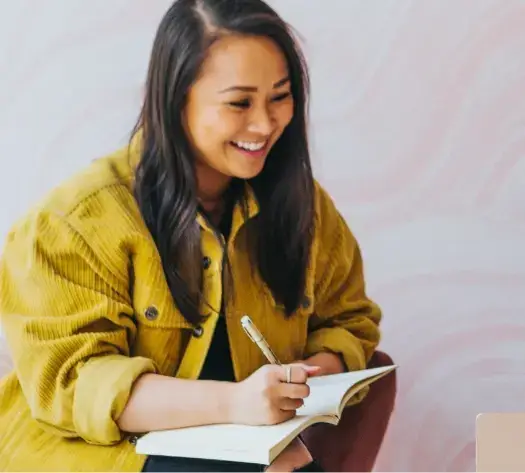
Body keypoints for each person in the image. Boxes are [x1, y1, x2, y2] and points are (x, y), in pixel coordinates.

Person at [0, 0, 383, 471]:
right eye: (239, 102)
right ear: (176, 99)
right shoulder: (72, 222)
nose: (265, 124)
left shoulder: (302, 206)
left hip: (250, 449)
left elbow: (350, 321)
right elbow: (73, 382)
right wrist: (235, 403)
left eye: (280, 96)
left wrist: (309, 377)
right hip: (103, 454)